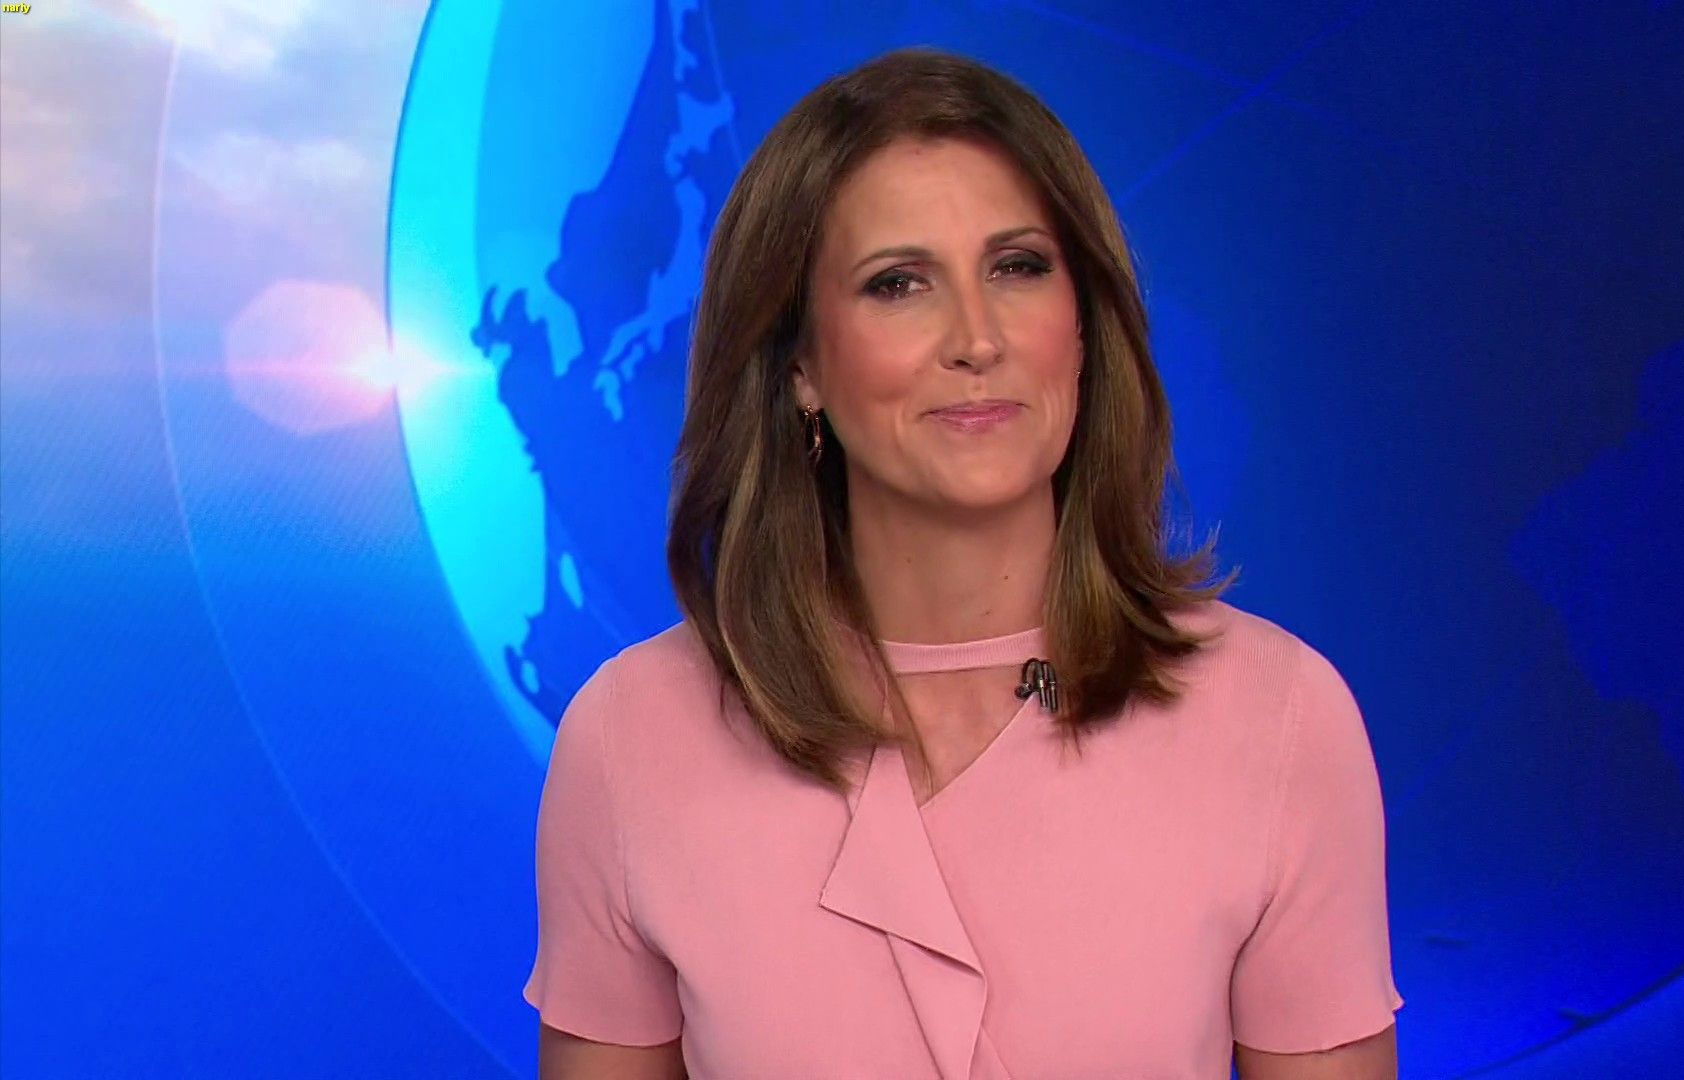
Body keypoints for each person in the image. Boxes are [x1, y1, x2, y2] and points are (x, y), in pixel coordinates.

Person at [524, 45, 1403, 1080]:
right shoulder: (631, 743)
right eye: (898, 284)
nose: (977, 339)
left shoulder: (1281, 720)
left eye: (1018, 268)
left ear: (1083, 326)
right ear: (801, 366)